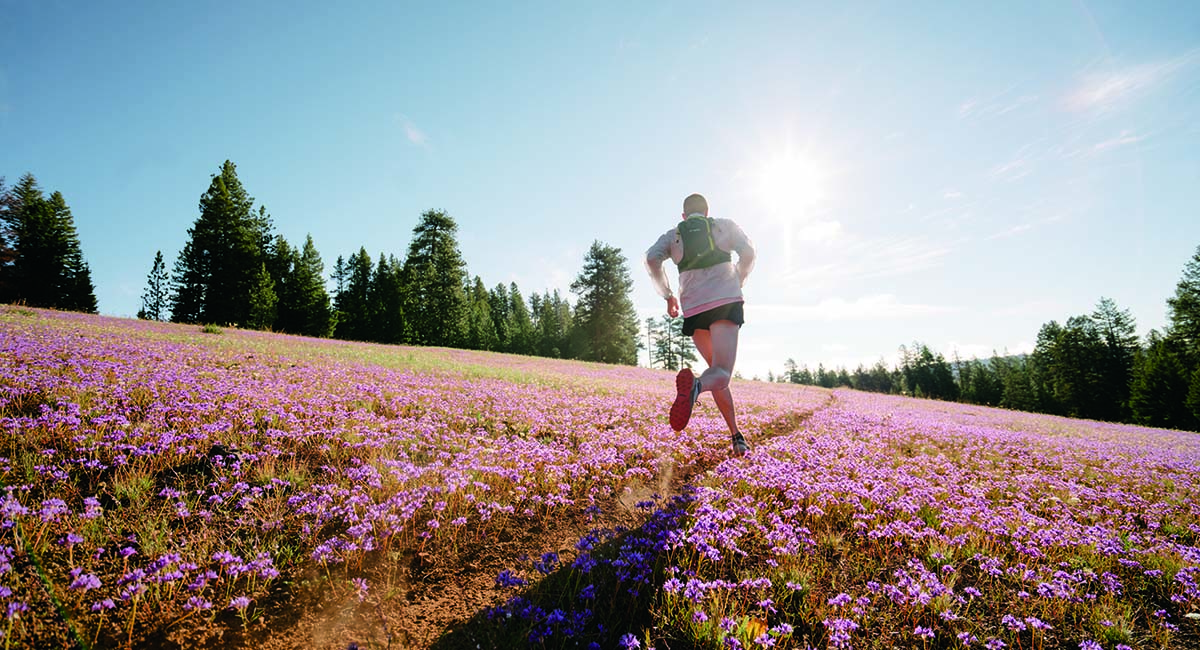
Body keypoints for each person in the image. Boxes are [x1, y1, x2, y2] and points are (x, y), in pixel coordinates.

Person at [645, 193, 756, 455]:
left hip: (694, 308)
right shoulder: (723, 225)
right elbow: (749, 251)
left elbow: (651, 259)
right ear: (707, 212)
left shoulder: (674, 235)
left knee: (715, 373)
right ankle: (696, 387)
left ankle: (736, 436)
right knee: (721, 374)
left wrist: (668, 295)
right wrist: (738, 277)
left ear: (684, 216)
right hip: (725, 302)